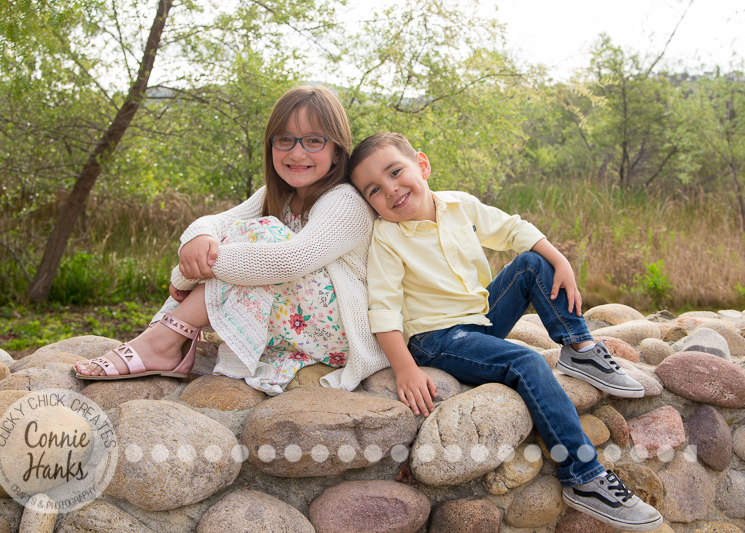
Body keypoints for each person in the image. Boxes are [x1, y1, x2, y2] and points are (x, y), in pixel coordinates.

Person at [347, 132, 663, 532]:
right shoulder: (387, 238)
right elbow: (383, 309)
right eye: (374, 189)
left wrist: (560, 259)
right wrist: (405, 368)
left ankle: (580, 348)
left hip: (480, 320)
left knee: (532, 262)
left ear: (422, 165)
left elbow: (513, 229)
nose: (390, 189)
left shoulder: (459, 205)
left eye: (395, 172)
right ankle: (583, 476)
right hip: (436, 339)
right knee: (526, 361)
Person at [74, 86, 389, 395]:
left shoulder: (345, 201)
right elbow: (217, 222)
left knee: (262, 236)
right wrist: (199, 238)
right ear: (270, 145)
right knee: (235, 236)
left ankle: (164, 341)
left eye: (313, 141)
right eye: (284, 139)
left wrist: (187, 276)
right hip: (304, 323)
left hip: (345, 332)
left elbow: (290, 261)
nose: (296, 153)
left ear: (337, 152)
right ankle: (165, 340)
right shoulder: (279, 195)